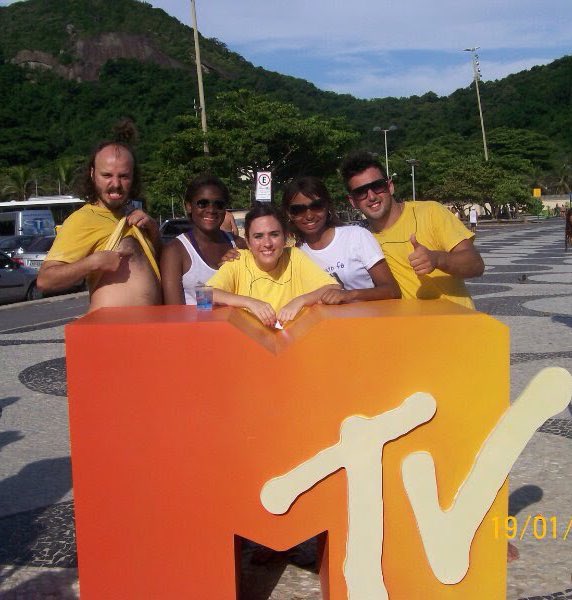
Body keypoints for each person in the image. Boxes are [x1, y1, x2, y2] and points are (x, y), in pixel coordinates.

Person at [340, 151, 484, 309]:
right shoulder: (360, 239)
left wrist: (437, 259)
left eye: (377, 186)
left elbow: (476, 264)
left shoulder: (430, 212)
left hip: (457, 320)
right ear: (352, 201)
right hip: (406, 324)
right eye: (361, 192)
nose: (372, 196)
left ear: (390, 186)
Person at [37, 141, 162, 311]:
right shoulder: (82, 220)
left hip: (151, 324)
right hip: (111, 326)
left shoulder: (136, 218)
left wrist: (153, 230)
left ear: (133, 177)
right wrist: (93, 263)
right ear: (92, 174)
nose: (116, 184)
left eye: (124, 176)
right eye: (107, 175)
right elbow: (45, 280)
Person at [207, 202, 340, 327]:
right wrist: (249, 302)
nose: (267, 243)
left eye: (274, 235)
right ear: (248, 242)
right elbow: (205, 295)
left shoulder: (294, 256)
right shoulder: (238, 260)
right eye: (258, 236)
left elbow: (333, 287)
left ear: (285, 238)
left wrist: (300, 301)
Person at [281, 176, 400, 303]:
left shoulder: (356, 236)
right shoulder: (294, 255)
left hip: (367, 315)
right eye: (298, 210)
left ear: (327, 206)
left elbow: (392, 290)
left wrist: (349, 295)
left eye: (316, 206)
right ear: (289, 214)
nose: (309, 215)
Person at [160, 174, 246, 305]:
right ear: (189, 206)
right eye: (202, 203)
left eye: (219, 204)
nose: (211, 210)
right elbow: (174, 310)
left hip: (236, 318)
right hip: (192, 319)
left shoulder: (240, 245)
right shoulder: (175, 251)